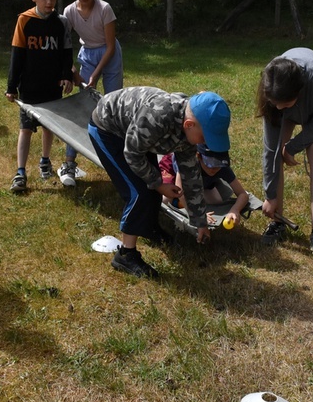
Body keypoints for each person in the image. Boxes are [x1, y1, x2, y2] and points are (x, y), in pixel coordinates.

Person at [88, 88, 231, 278]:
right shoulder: (157, 116)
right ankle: (125, 255)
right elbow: (132, 153)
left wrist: (200, 222)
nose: (206, 144)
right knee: (139, 192)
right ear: (189, 124)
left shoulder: (188, 132)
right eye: (205, 138)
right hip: (109, 130)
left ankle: (149, 227)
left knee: (151, 186)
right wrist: (158, 183)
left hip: (140, 137)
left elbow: (191, 175)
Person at [257, 47, 313, 254]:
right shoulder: (271, 85)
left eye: (286, 104)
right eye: (277, 104)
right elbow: (270, 150)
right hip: (287, 96)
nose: (281, 108)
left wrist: (292, 147)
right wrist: (270, 195)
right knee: (276, 156)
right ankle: (278, 223)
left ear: (299, 93)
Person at [5, 0, 74, 193]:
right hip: (30, 88)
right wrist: (11, 86)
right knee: (25, 129)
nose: (49, 2)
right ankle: (20, 171)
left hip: (52, 87)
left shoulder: (61, 22)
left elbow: (66, 53)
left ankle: (45, 160)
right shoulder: (24, 20)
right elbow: (17, 55)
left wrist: (66, 75)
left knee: (48, 127)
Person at [62, 0, 123, 187]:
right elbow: (64, 44)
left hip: (110, 55)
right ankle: (69, 162)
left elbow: (109, 47)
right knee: (84, 106)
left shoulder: (105, 9)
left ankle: (120, 158)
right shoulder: (69, 12)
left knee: (114, 106)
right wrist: (72, 70)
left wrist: (95, 75)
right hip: (87, 55)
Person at [163, 145, 250, 229]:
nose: (214, 169)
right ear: (198, 156)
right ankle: (177, 203)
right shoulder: (187, 163)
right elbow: (180, 191)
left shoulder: (222, 167)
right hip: (174, 175)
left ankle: (190, 199)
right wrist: (197, 215)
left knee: (216, 201)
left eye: (218, 165)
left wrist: (235, 210)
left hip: (201, 182)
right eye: (210, 164)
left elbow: (243, 194)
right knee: (166, 199)